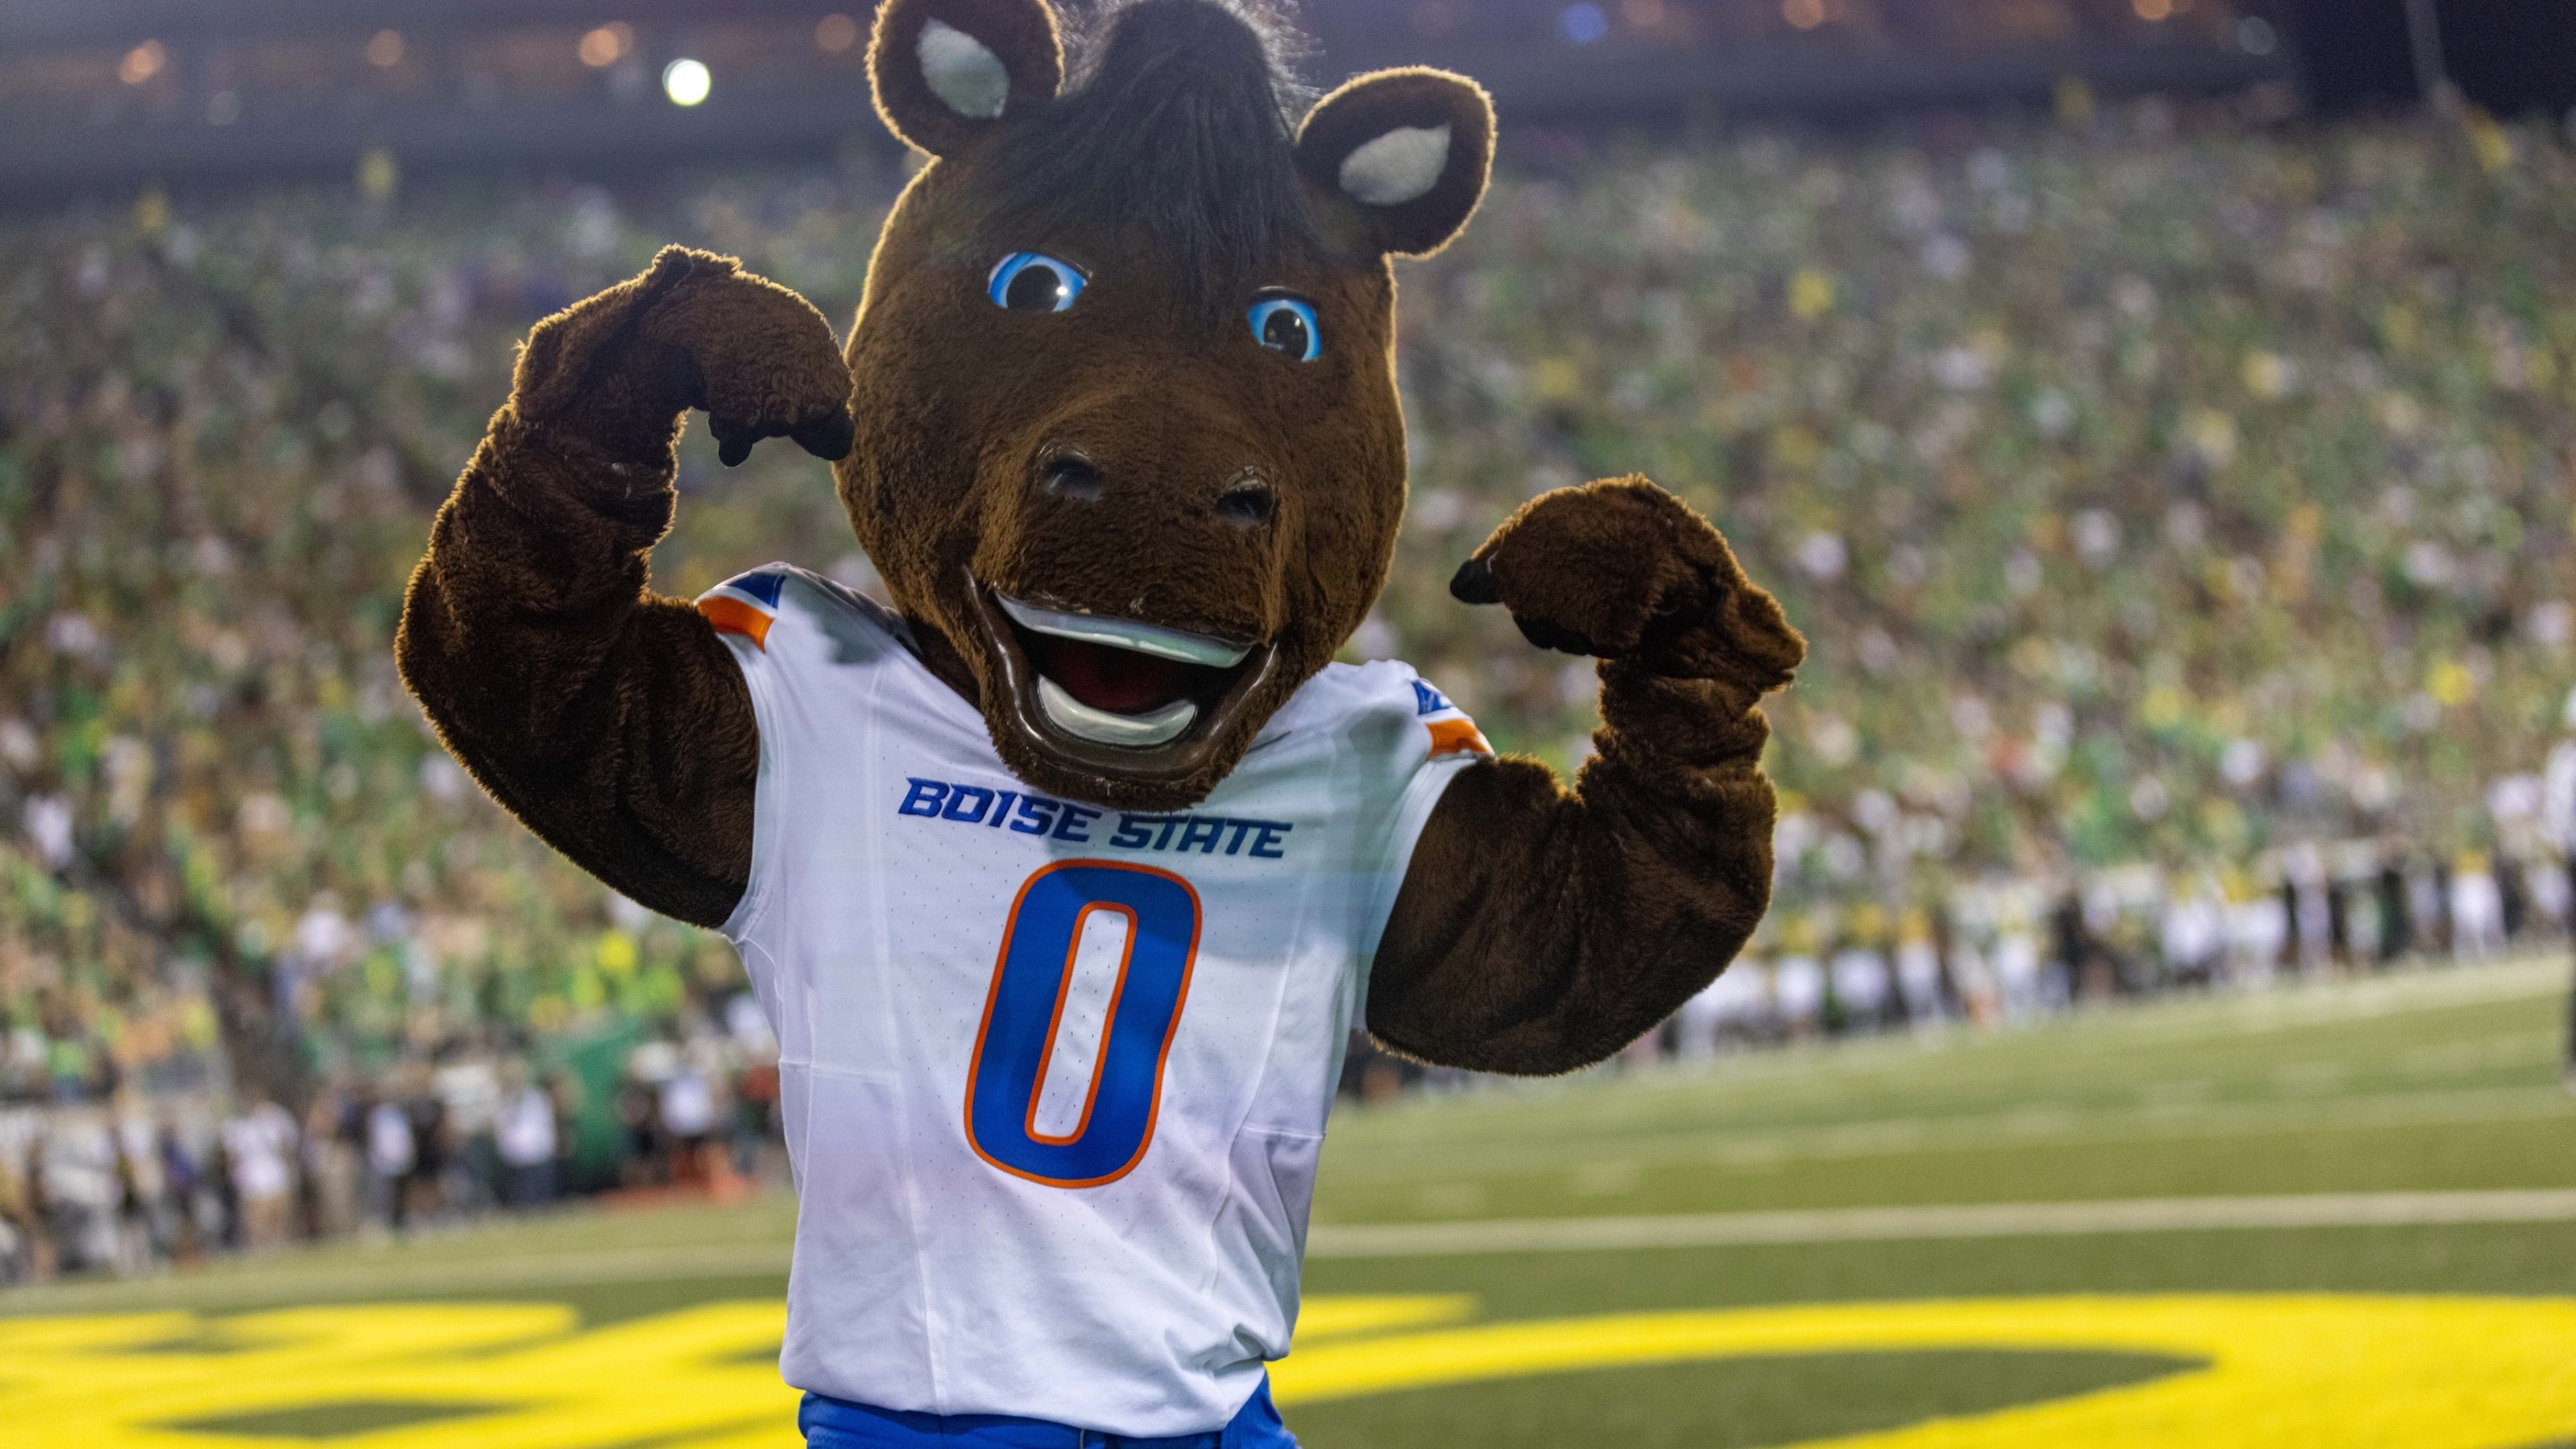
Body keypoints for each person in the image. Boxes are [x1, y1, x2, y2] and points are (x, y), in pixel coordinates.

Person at [220, 1092, 301, 1250]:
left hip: (275, 1178)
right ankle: (263, 1251)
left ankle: (280, 1249)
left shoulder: (275, 1118)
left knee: (278, 1223)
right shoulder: (237, 1126)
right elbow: (232, 1156)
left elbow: (287, 1148)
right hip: (253, 1182)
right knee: (258, 1227)